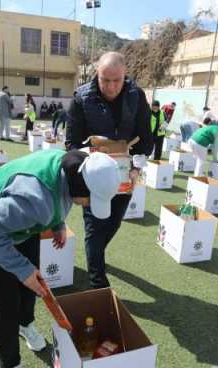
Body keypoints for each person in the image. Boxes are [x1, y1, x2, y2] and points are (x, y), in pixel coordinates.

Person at [0, 148, 121, 368]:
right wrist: (21, 269)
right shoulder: (37, 201)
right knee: (6, 302)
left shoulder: (72, 166)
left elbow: (60, 196)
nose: (88, 205)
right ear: (80, 186)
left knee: (33, 285)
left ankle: (25, 324)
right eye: (90, 199)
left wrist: (58, 225)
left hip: (20, 225)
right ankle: (10, 363)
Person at [66, 51, 153, 288]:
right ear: (97, 74)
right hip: (93, 175)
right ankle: (98, 284)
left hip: (125, 175)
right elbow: (72, 143)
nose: (111, 86)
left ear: (125, 75)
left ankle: (96, 255)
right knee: (95, 228)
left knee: (113, 223)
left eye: (117, 80)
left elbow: (146, 138)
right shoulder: (81, 98)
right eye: (105, 80)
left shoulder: (137, 96)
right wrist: (85, 168)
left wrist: (137, 168)